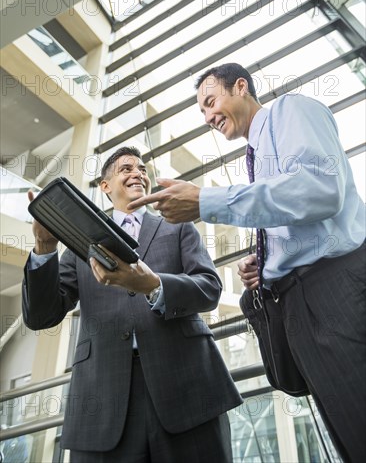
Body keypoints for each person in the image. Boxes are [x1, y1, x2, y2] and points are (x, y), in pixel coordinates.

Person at [128, 63, 366, 463]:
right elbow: (299, 212)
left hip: (334, 293)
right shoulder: (258, 155)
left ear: (241, 86)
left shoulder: (290, 110)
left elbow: (320, 190)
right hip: (304, 304)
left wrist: (205, 201)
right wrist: (269, 261)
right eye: (202, 113)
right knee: (348, 431)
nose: (207, 117)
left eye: (210, 102)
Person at [22, 146, 243, 463]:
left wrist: (154, 286)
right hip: (103, 399)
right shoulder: (80, 242)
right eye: (126, 169)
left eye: (142, 169)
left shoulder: (178, 226)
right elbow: (42, 316)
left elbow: (209, 289)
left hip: (187, 388)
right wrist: (44, 248)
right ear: (105, 186)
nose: (138, 173)